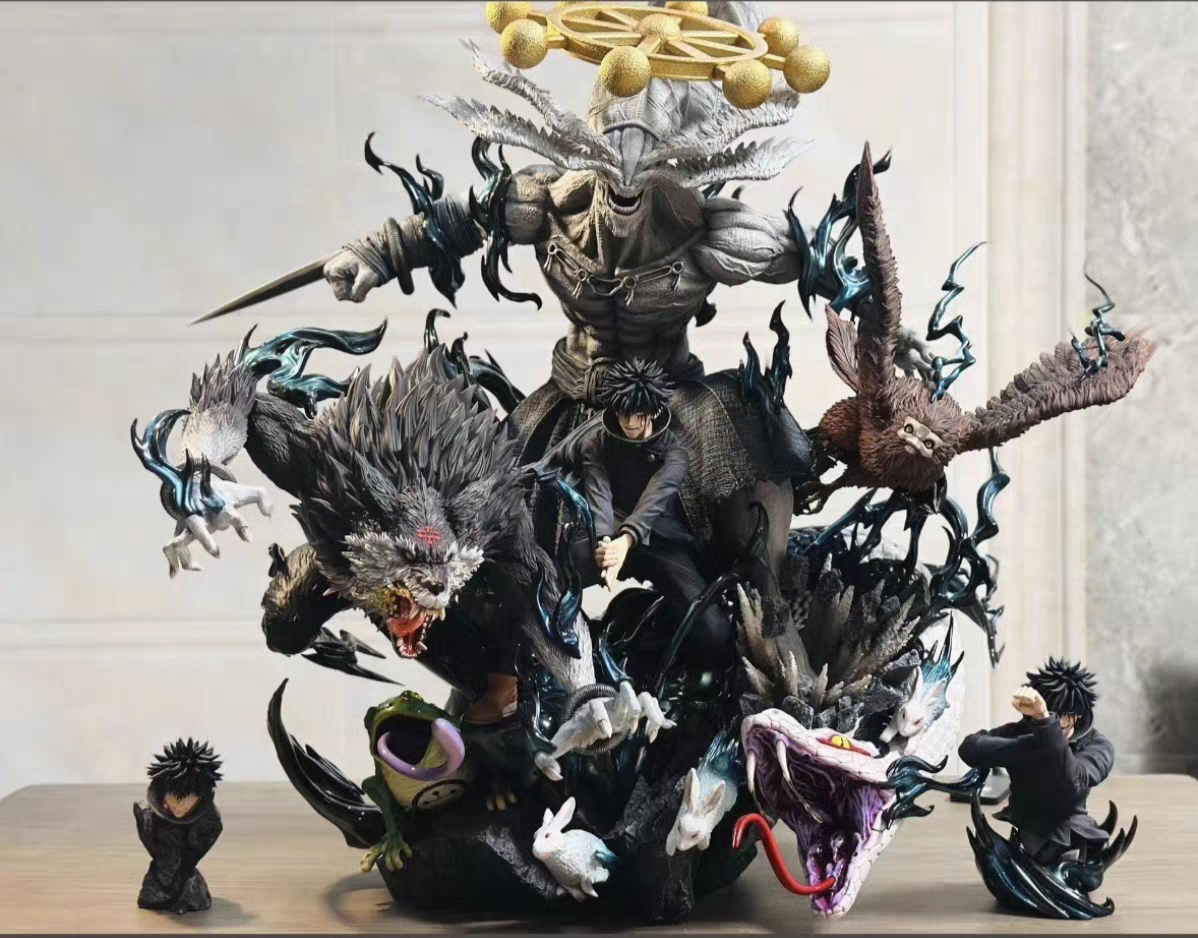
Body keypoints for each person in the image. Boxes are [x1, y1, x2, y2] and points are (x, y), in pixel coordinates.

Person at [557, 359, 732, 670]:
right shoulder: (597, 442)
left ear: (651, 412)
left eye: (637, 414)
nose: (628, 422)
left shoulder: (674, 454)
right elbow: (599, 492)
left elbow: (654, 499)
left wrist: (625, 542)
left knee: (713, 630)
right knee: (555, 580)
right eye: (622, 413)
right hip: (608, 528)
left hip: (659, 537)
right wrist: (605, 543)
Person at [959, 657, 1115, 864]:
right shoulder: (1027, 732)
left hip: (1071, 838)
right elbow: (971, 748)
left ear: (1076, 715)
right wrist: (1031, 743)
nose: (1054, 720)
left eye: (1059, 718)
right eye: (1048, 713)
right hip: (1027, 831)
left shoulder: (1096, 745)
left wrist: (1047, 728)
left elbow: (1074, 783)